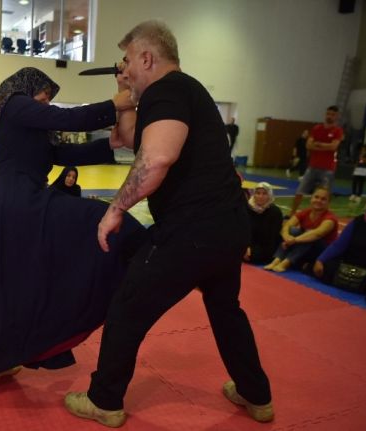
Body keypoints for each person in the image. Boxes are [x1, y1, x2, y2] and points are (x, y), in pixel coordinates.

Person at [64, 21, 273, 427]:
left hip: (192, 230)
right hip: (228, 226)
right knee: (225, 309)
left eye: (128, 60)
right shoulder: (177, 94)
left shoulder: (168, 90)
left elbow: (157, 158)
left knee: (127, 307)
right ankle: (256, 394)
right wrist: (125, 94)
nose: (124, 67)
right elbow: (128, 142)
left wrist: (116, 208)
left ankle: (104, 400)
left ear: (147, 58)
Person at [0, 67, 145, 382]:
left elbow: (61, 153)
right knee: (98, 220)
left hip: (20, 204)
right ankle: (150, 255)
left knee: (16, 284)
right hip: (17, 205)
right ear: (28, 88)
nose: (46, 104)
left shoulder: (32, 130)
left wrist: (109, 145)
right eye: (44, 97)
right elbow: (64, 118)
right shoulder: (14, 104)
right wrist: (114, 104)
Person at [264, 186, 337, 273]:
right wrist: (287, 237)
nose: (318, 201)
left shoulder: (330, 219)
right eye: (316, 197)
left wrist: (294, 240)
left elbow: (317, 234)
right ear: (311, 198)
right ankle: (277, 260)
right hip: (304, 249)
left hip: (321, 252)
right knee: (292, 231)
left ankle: (286, 262)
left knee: (309, 235)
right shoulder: (306, 212)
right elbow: (287, 225)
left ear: (328, 202)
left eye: (323, 199)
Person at [289, 106, 343, 215]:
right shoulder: (317, 128)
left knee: (325, 194)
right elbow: (308, 145)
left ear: (337, 116)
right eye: (328, 114)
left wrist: (318, 144)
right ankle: (292, 213)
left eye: (332, 114)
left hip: (328, 168)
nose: (329, 116)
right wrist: (325, 146)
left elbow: (333, 147)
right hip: (312, 166)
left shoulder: (338, 131)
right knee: (300, 191)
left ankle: (323, 216)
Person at [244, 182, 283, 264]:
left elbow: (271, 237)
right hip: (248, 244)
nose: (260, 196)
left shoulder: (275, 212)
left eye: (264, 194)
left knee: (252, 256)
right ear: (254, 194)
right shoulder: (247, 208)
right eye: (258, 193)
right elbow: (243, 230)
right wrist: (246, 246)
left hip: (266, 246)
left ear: (269, 195)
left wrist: (252, 249)